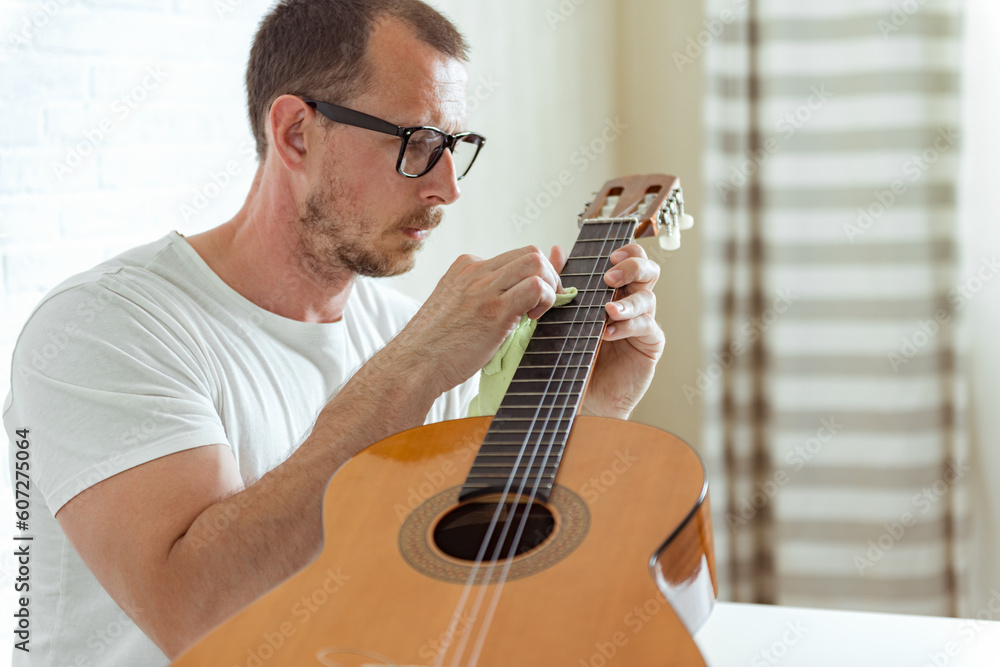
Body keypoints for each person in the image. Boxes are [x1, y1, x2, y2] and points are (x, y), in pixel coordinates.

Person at [3, 0, 664, 664]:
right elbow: (196, 616)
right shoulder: (105, 329)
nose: (447, 188)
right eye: (418, 142)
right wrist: (413, 366)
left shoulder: (405, 329)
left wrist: (591, 410)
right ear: (296, 133)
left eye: (455, 146)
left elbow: (466, 590)